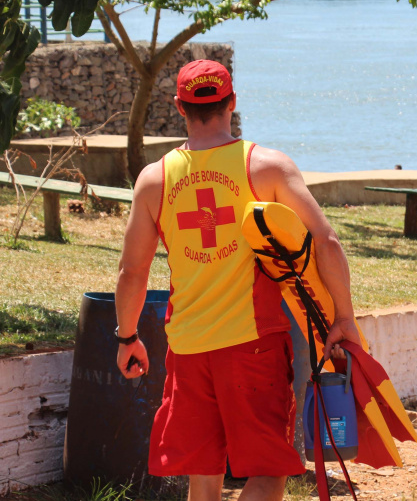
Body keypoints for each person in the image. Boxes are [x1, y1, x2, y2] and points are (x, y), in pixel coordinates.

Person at [113, 59, 361, 501]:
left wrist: (127, 336)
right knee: (268, 472)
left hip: (187, 348)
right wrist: (343, 316)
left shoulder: (155, 179)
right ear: (232, 103)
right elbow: (326, 240)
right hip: (254, 346)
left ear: (178, 107)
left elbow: (132, 271)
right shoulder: (266, 167)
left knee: (203, 478)